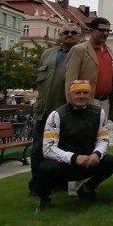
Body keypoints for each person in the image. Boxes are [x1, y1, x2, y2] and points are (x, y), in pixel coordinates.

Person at [36, 80, 113, 211]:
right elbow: (48, 149)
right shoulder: (56, 115)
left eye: (85, 92)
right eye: (77, 92)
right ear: (69, 95)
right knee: (46, 167)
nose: (82, 96)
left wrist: (97, 154)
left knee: (110, 162)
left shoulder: (99, 113)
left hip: (88, 162)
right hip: (64, 164)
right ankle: (44, 199)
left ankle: (87, 188)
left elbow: (103, 139)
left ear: (90, 95)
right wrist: (74, 158)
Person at [29, 23, 82, 195]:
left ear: (79, 36)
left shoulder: (80, 53)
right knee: (38, 149)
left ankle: (60, 183)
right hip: (43, 109)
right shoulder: (48, 53)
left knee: (63, 149)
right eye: (65, 32)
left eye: (73, 33)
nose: (69, 35)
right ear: (60, 35)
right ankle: (37, 185)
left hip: (63, 111)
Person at [64, 17, 113, 120]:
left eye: (108, 30)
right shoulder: (79, 50)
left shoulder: (109, 50)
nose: (105, 33)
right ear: (91, 31)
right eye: (101, 30)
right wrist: (72, 106)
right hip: (86, 102)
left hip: (105, 102)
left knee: (101, 134)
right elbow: (70, 81)